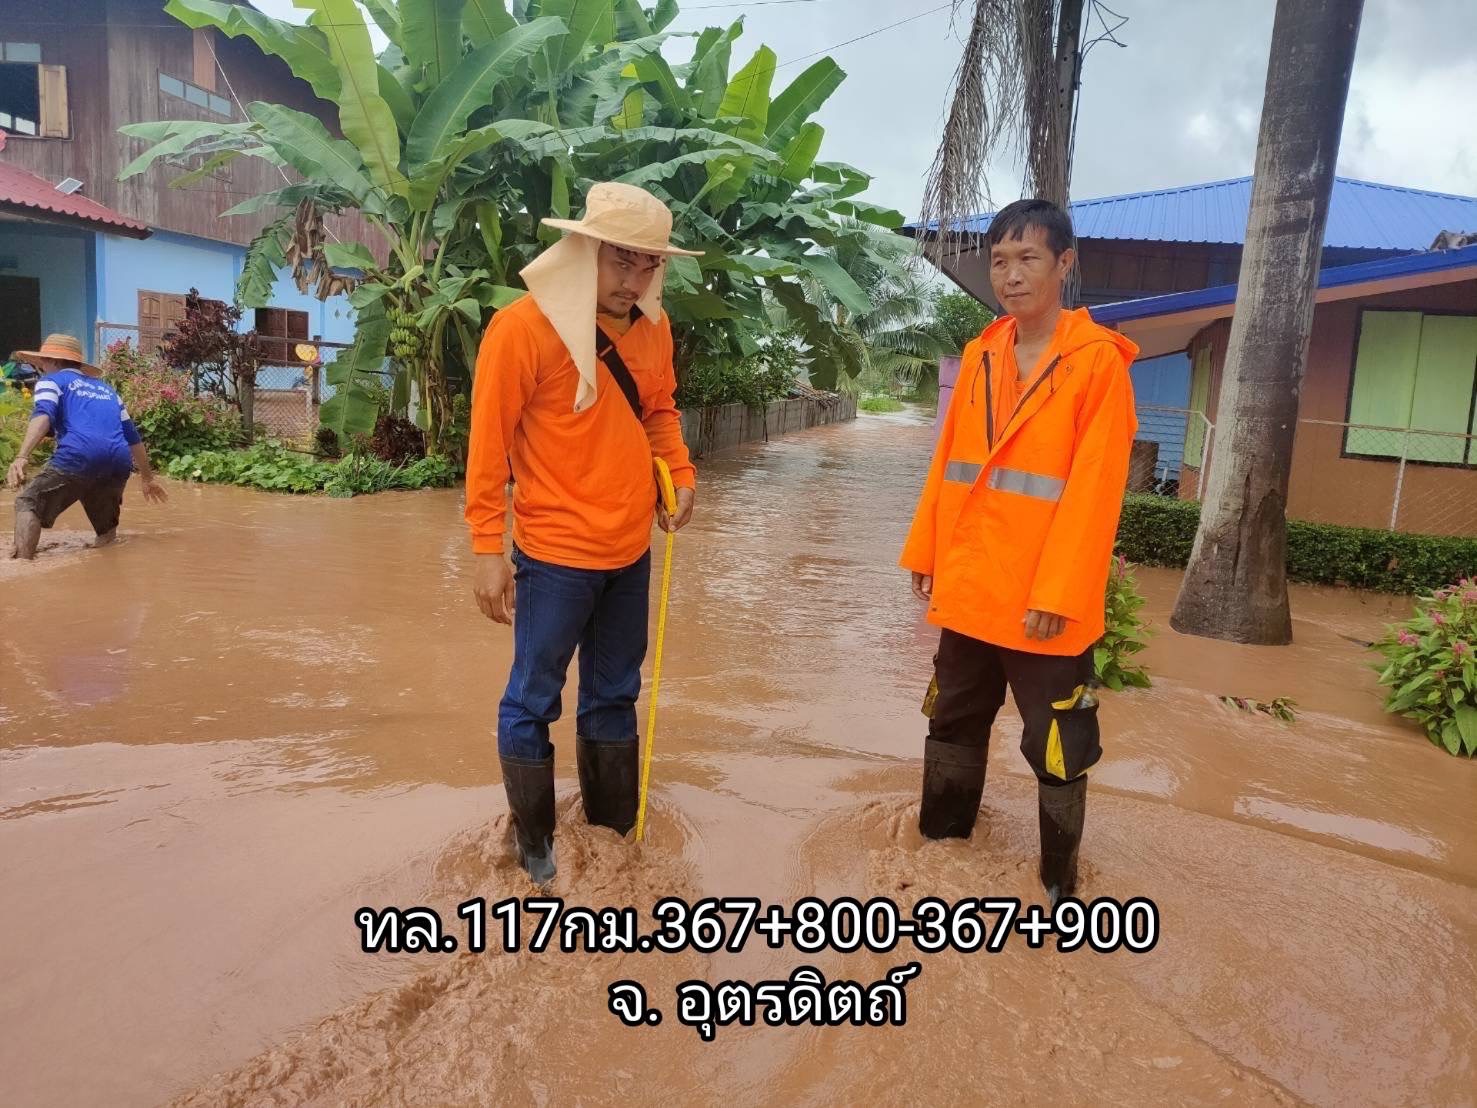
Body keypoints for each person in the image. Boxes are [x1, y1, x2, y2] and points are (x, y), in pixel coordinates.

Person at [900, 199, 1139, 905]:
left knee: (1057, 737)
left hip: (1042, 600)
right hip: (974, 583)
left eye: (1027, 258)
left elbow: (1094, 493)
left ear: (1064, 263)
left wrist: (1057, 592)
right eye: (999, 260)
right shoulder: (982, 354)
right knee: (952, 716)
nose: (1010, 275)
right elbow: (949, 462)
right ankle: (941, 849)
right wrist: (927, 551)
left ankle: (1058, 890)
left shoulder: (1096, 364)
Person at [465, 182, 700, 884]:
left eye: (649, 265)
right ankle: (536, 852)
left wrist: (679, 472)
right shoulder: (520, 329)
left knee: (615, 694)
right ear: (583, 251)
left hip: (630, 551)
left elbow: (659, 411)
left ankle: (611, 841)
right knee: (531, 700)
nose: (635, 281)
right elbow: (488, 447)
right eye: (621, 261)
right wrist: (486, 549)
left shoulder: (654, 329)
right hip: (554, 556)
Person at [6, 333, 167, 559]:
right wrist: (147, 478)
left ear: (52, 361)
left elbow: (43, 414)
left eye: (42, 362)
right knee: (106, 529)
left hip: (78, 455)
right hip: (118, 462)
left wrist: (22, 456)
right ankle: (108, 563)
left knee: (28, 502)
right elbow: (133, 438)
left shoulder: (51, 381)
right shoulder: (108, 391)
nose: (41, 367)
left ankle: (23, 563)